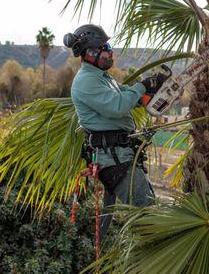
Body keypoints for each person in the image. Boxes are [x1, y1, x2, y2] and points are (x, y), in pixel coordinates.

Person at [63, 24, 165, 240]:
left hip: (121, 155)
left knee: (145, 208)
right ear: (90, 53)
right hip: (113, 159)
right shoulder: (85, 81)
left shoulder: (102, 78)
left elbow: (127, 95)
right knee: (147, 212)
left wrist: (151, 89)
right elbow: (117, 105)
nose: (111, 51)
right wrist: (142, 86)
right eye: (106, 47)